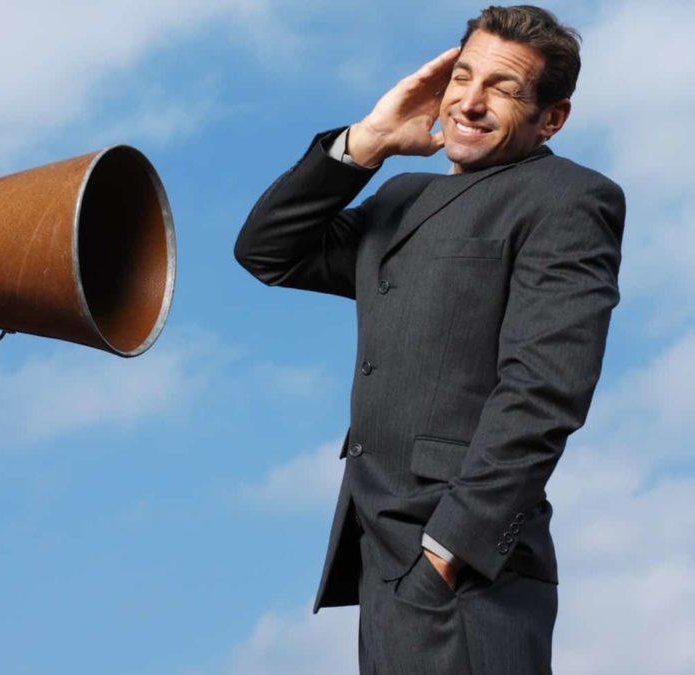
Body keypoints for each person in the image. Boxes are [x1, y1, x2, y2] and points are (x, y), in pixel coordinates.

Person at [234, 6, 624, 673]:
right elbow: (269, 250)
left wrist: (448, 553)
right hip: (381, 561)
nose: (469, 102)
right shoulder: (400, 199)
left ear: (552, 117)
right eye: (462, 77)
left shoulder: (569, 199)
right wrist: (370, 140)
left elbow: (545, 390)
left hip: (466, 572)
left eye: (500, 88)